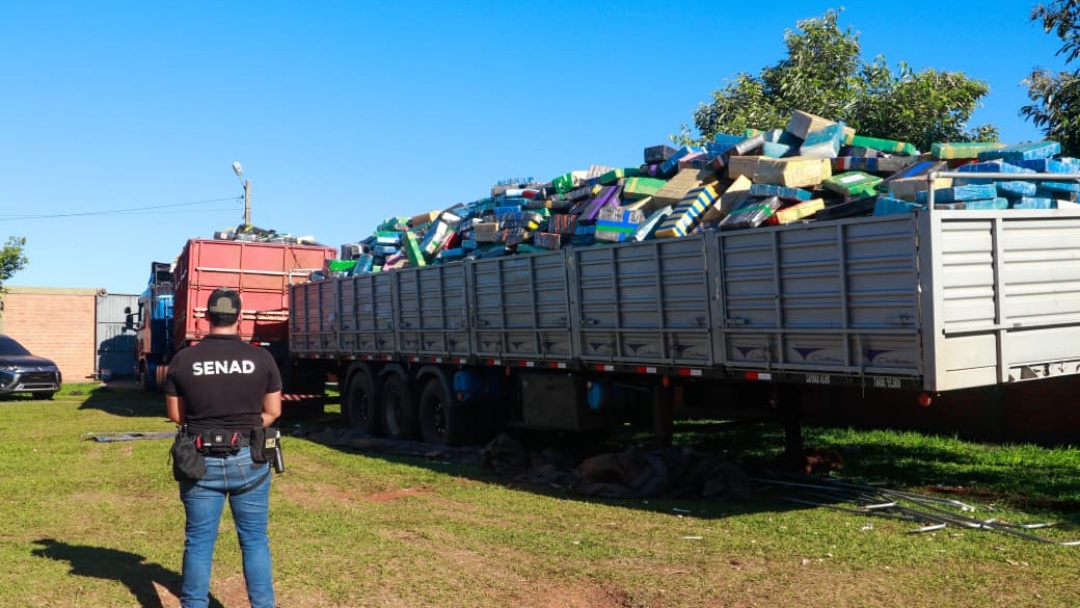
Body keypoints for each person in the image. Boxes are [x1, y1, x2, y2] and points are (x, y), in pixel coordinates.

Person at [165, 287, 282, 608]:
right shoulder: (261, 357)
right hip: (249, 460)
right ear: (240, 318)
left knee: (199, 544)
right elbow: (273, 412)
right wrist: (241, 428)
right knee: (255, 541)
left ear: (205, 317)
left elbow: (176, 415)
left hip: (198, 461)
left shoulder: (183, 359)